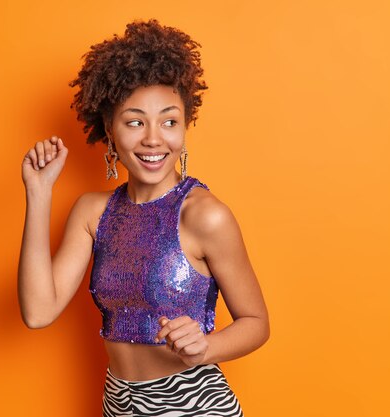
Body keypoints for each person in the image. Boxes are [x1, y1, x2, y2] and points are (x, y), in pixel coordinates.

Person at [18, 19, 270, 417]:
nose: (154, 138)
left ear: (185, 126)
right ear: (110, 129)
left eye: (169, 121)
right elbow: (38, 311)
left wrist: (208, 346)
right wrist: (38, 193)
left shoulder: (205, 216)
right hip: (118, 403)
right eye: (135, 121)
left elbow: (256, 322)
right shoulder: (92, 212)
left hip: (192, 404)